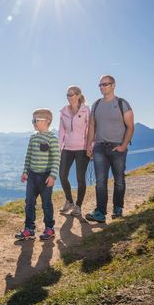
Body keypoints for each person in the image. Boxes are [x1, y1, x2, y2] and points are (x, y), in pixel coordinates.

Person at [85, 75, 134, 223]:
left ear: (113, 85)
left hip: (117, 148)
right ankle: (100, 213)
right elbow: (92, 126)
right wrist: (89, 145)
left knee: (119, 180)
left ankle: (118, 209)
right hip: (100, 147)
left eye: (105, 84)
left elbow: (130, 127)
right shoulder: (96, 104)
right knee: (100, 181)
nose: (102, 87)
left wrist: (123, 146)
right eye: (100, 85)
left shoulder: (122, 103)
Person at [16, 108, 60, 240]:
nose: (33, 122)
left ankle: (49, 228)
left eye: (36, 120)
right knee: (29, 202)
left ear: (47, 121)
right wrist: (25, 171)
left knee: (46, 203)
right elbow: (28, 155)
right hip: (32, 175)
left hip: (46, 176)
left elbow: (56, 159)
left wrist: (52, 176)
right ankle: (29, 229)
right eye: (32, 120)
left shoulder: (52, 138)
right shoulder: (33, 137)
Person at [58, 86, 90, 217]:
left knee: (80, 178)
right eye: (67, 95)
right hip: (67, 148)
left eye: (72, 94)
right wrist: (59, 149)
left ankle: (78, 206)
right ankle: (69, 201)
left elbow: (90, 130)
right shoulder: (64, 111)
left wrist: (90, 146)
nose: (69, 97)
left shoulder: (86, 110)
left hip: (82, 148)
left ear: (78, 95)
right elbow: (61, 132)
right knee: (62, 175)